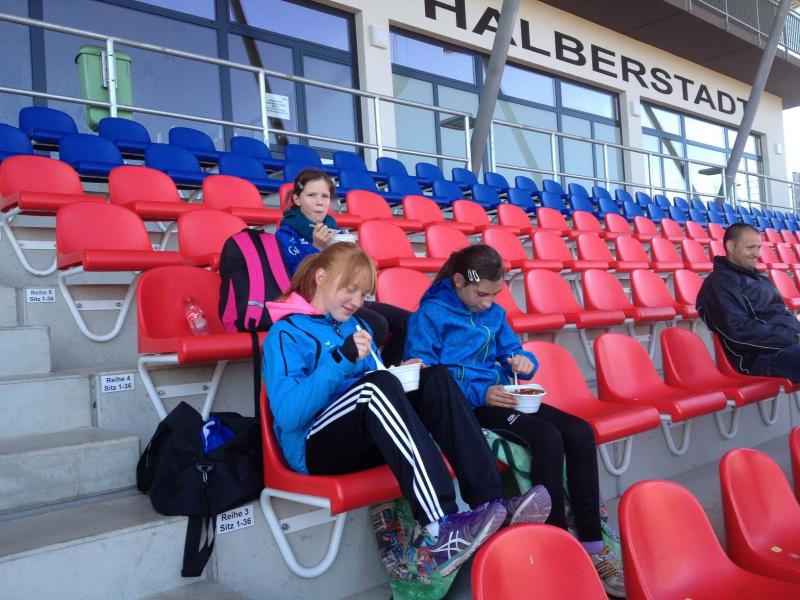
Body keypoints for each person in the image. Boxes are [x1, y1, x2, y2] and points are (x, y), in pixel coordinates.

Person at [262, 242, 551, 577]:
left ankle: (490, 502)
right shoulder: (286, 332)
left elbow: (379, 379)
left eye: (363, 294)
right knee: (376, 388)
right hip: (314, 448)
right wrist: (340, 361)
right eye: (349, 289)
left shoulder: (357, 326)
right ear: (321, 277)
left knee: (435, 378)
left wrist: (407, 375)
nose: (356, 301)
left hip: (363, 434)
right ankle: (440, 526)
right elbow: (288, 415)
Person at [404, 244, 625, 598]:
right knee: (547, 438)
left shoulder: (494, 313)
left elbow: (513, 351)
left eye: (495, 294)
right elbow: (427, 378)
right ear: (459, 281)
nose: (488, 303)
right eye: (482, 294)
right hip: (469, 408)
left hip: (504, 394)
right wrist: (481, 393)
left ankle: (591, 543)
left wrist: (523, 362)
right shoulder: (429, 315)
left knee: (580, 432)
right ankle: (555, 542)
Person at [274, 167, 408, 364]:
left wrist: (355, 255)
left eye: (324, 196)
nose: (319, 202)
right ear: (297, 199)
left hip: (347, 295)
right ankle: (360, 371)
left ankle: (388, 370)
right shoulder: (285, 235)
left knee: (409, 321)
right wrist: (316, 248)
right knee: (378, 324)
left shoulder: (335, 231)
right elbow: (300, 281)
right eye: (311, 195)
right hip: (317, 302)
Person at [697, 222, 800, 381]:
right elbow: (739, 332)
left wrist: (795, 330)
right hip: (757, 358)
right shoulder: (717, 284)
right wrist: (791, 336)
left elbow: (781, 314)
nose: (756, 253)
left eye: (758, 247)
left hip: (786, 345)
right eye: (750, 247)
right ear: (730, 246)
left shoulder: (760, 279)